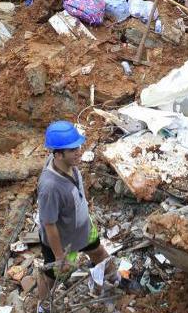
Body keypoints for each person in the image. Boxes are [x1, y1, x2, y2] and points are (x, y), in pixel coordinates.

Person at [36, 121, 114, 311]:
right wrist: (59, 256)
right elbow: (50, 225)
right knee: (55, 276)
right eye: (73, 150)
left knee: (100, 253)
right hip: (64, 243)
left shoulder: (68, 164)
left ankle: (113, 282)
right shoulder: (50, 187)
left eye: (78, 146)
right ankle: (44, 306)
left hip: (83, 229)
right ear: (58, 154)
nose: (79, 152)